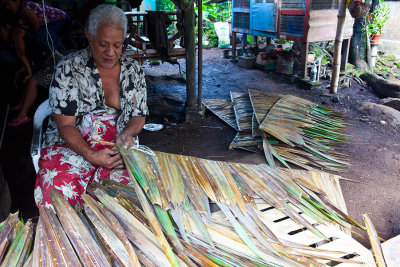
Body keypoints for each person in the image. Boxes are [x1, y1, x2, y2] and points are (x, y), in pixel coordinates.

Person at [34, 5, 148, 207]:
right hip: (72, 147)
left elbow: (139, 116)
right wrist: (92, 155)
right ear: (89, 35)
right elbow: (66, 126)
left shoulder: (133, 70)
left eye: (117, 45)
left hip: (115, 149)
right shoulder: (68, 68)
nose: (110, 52)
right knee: (60, 194)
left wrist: (127, 133)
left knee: (133, 199)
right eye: (103, 44)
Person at [0, 10, 54, 126]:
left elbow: (21, 54)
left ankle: (23, 115)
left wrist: (29, 73)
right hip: (42, 63)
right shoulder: (11, 38)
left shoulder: (16, 32)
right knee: (26, 76)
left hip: (53, 62)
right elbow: (28, 58)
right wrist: (23, 71)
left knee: (31, 81)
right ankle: (22, 104)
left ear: (7, 26)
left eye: (0, 30)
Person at [1, 0, 70, 51]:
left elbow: (36, 26)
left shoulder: (25, 8)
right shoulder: (20, 11)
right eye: (5, 5)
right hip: (48, 22)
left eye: (8, 4)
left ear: (17, 1)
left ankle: (61, 51)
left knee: (44, 33)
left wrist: (32, 32)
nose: (7, 7)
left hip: (59, 18)